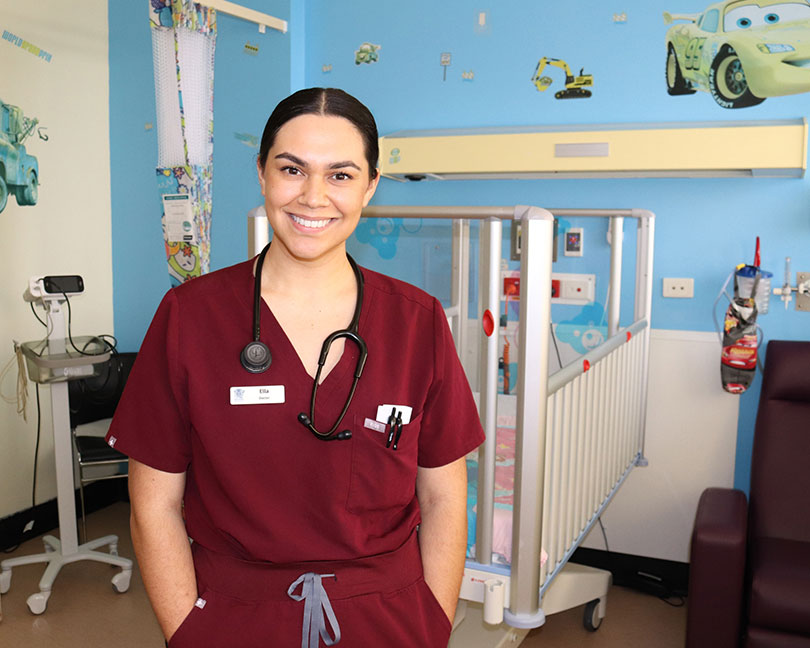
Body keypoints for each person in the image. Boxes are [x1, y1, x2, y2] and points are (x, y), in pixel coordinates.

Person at [107, 87, 484, 648]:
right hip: (235, 615)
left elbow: (444, 495)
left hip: (390, 616)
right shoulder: (190, 315)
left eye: (340, 174)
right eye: (292, 169)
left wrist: (431, 620)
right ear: (262, 173)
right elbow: (154, 501)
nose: (313, 197)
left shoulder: (418, 321)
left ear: (370, 186)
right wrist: (190, 631)